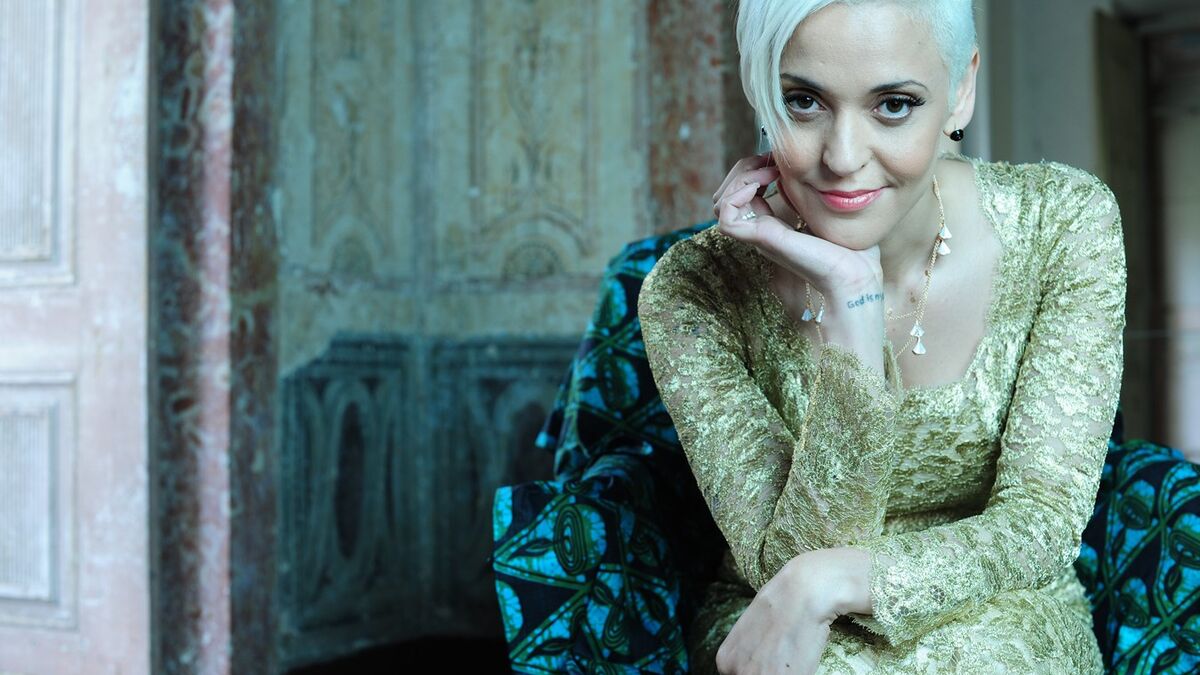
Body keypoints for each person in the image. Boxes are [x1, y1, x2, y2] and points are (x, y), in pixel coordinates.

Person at [636, 0, 1126, 672]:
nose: (843, 157)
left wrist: (829, 582)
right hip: (782, 617)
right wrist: (852, 302)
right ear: (760, 92)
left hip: (1001, 605)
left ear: (961, 91)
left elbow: (1040, 521)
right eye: (803, 101)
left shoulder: (1064, 223)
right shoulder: (691, 287)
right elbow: (782, 567)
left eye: (893, 105)